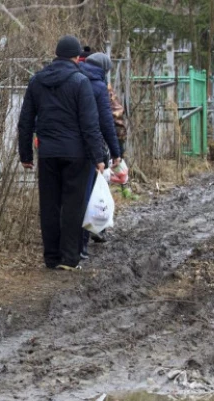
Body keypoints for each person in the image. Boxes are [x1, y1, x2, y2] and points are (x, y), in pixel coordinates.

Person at [18, 36, 105, 271]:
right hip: (76, 154)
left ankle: (51, 257)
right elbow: (90, 123)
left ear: (56, 55)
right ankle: (69, 258)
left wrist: (25, 154)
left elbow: (25, 120)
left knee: (49, 205)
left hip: (47, 153)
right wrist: (98, 157)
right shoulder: (80, 82)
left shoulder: (37, 81)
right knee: (73, 205)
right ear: (77, 57)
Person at [79, 52, 122, 258]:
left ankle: (69, 245)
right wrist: (116, 151)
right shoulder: (99, 87)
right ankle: (88, 237)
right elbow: (108, 120)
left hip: (64, 146)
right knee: (90, 194)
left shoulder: (74, 79)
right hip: (91, 149)